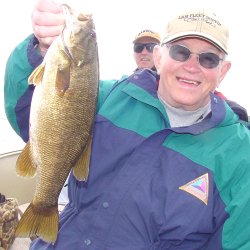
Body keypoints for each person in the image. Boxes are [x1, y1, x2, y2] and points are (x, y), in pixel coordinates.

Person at [4, 1, 250, 249]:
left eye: (208, 59)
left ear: (223, 71)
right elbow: (26, 113)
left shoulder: (240, 156)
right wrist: (40, 49)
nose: (192, 66)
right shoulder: (107, 97)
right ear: (159, 57)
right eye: (180, 52)